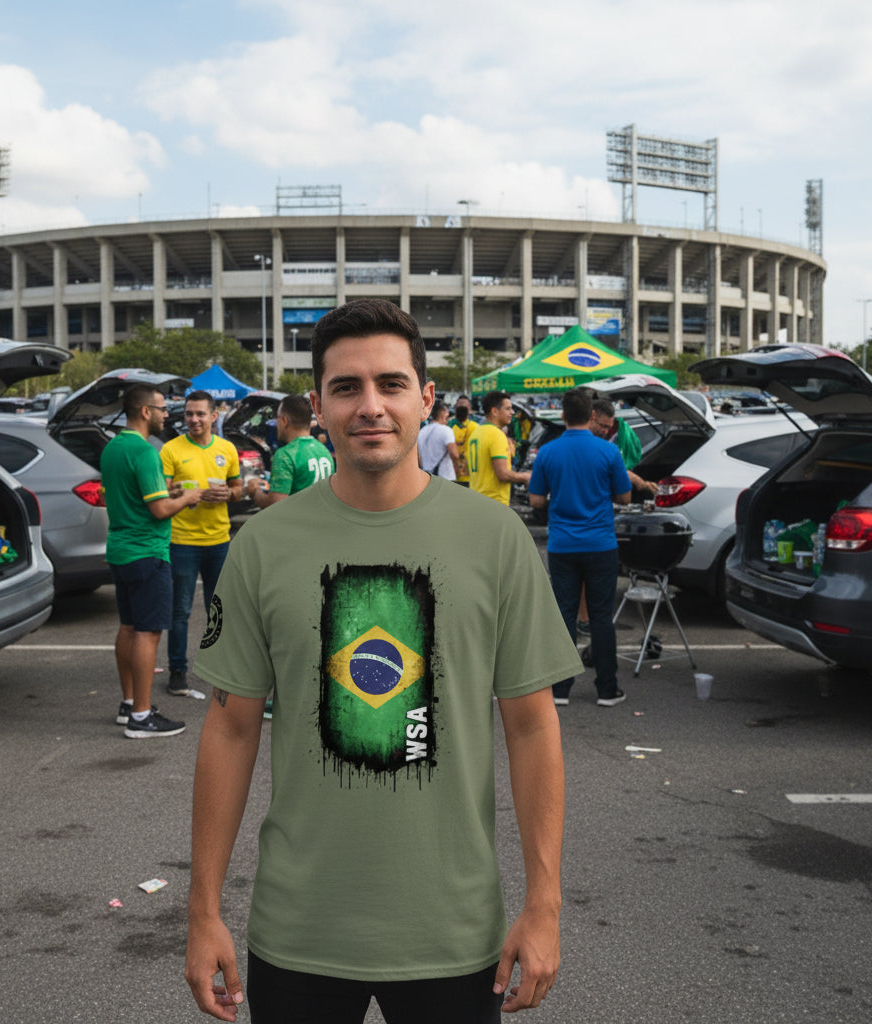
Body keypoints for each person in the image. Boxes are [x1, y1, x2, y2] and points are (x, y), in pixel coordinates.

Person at [184, 297, 581, 1023]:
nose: (370, 406)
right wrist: (203, 911)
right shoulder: (263, 545)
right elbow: (231, 729)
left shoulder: (495, 538)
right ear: (318, 406)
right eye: (346, 387)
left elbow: (532, 726)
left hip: (455, 934)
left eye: (391, 384)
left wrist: (545, 904)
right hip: (298, 931)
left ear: (425, 400)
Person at [100, 384, 204, 738]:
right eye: (161, 409)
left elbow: (128, 495)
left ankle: (129, 703)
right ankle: (142, 718)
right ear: (145, 411)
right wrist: (187, 496)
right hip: (148, 552)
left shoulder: (113, 447)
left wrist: (169, 491)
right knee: (148, 633)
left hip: (120, 550)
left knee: (129, 627)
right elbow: (159, 510)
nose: (165, 415)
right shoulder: (145, 452)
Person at [528, 387, 632, 708]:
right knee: (601, 616)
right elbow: (624, 497)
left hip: (562, 544)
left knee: (564, 614)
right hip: (600, 544)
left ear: (562, 415)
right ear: (591, 416)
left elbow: (536, 500)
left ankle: (560, 689)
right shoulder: (608, 451)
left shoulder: (548, 452)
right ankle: (607, 689)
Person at [159, 391, 242, 697]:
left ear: (213, 416)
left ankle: (220, 669)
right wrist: (181, 492)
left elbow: (238, 487)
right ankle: (177, 671)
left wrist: (230, 494)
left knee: (217, 609)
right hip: (182, 541)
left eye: (200, 414)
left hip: (219, 541)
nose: (194, 420)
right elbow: (163, 491)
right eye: (189, 414)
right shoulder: (171, 449)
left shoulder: (226, 449)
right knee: (180, 611)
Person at [245, 394, 335, 509]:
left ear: (284, 421)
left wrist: (255, 490)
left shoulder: (285, 455)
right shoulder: (323, 451)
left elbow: (276, 506)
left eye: (277, 419)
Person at [467, 391, 531, 505]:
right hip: (494, 502)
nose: (512, 412)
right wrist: (525, 476)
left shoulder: (476, 433)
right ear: (495, 411)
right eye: (508, 409)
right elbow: (503, 474)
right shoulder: (496, 435)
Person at [590, 398, 657, 496]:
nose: (605, 431)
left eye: (608, 427)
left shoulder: (602, 444)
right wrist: (643, 485)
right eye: (603, 426)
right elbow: (617, 474)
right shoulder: (590, 446)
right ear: (592, 417)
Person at [416, 399, 459, 479]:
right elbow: (454, 454)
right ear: (443, 414)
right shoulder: (446, 430)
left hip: (427, 478)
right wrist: (457, 471)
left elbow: (417, 458)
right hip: (445, 478)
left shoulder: (422, 431)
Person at [449, 397, 478, 486]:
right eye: (460, 405)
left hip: (470, 474)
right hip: (451, 474)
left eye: (465, 406)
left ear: (470, 409)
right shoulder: (449, 426)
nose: (462, 407)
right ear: (455, 408)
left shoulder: (475, 426)